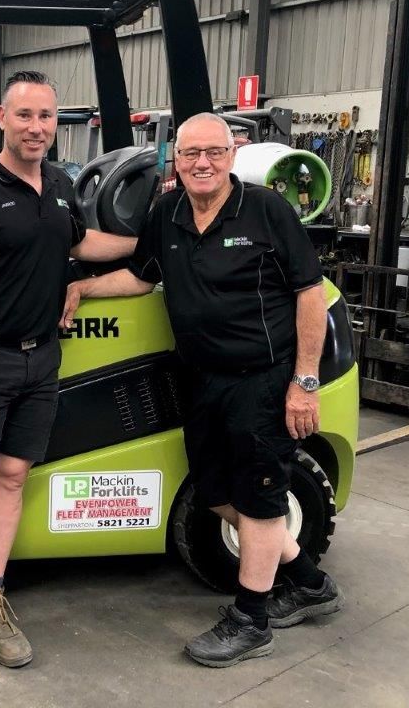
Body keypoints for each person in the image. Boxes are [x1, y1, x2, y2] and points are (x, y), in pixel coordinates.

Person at [62, 112, 343, 668]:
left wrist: (304, 383)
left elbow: (309, 293)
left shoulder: (266, 210)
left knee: (261, 498)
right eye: (191, 153)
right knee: (216, 494)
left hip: (263, 379)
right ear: (177, 159)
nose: (202, 163)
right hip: (201, 378)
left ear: (232, 154)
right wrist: (82, 288)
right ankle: (310, 583)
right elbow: (141, 276)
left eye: (214, 152)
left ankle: (252, 619)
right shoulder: (167, 214)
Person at [0, 70, 137, 695]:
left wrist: (149, 240)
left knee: (12, 477)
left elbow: (80, 243)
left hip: (41, 361)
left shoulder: (60, 185)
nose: (37, 128)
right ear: (1, 118)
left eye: (46, 117)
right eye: (25, 116)